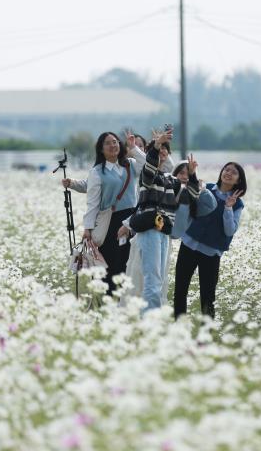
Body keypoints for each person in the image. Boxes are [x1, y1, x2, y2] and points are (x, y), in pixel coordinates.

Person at [117, 132, 200, 313]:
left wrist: (192, 175)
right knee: (153, 280)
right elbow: (149, 167)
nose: (162, 152)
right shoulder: (148, 177)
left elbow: (191, 196)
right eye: (159, 150)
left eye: (165, 150)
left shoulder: (171, 180)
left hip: (164, 232)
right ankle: (149, 322)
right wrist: (155, 146)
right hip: (150, 229)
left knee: (159, 280)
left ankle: (150, 320)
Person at [75, 131, 149, 295]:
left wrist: (134, 147)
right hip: (111, 222)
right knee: (110, 262)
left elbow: (146, 163)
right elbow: (93, 202)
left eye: (115, 142)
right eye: (107, 143)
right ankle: (107, 299)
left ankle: (125, 300)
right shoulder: (97, 172)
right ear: (101, 149)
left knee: (129, 261)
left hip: (131, 220)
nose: (113, 145)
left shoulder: (129, 164)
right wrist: (88, 228)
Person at [173, 162, 246, 319]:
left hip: (211, 253)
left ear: (238, 180)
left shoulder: (237, 203)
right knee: (180, 290)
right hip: (189, 245)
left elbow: (230, 230)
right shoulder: (207, 188)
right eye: (226, 169)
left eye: (233, 172)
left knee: (208, 297)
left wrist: (228, 208)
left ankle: (206, 337)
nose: (228, 173)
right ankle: (178, 330)